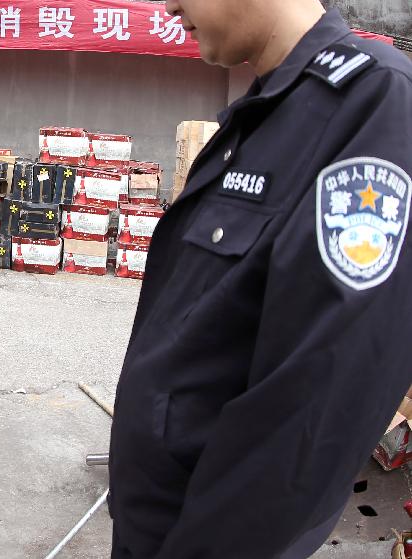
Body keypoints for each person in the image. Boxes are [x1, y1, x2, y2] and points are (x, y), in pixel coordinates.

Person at [107, 1, 412, 557]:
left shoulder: (372, 105)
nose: (169, 5)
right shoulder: (265, 112)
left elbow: (321, 400)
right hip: (157, 516)